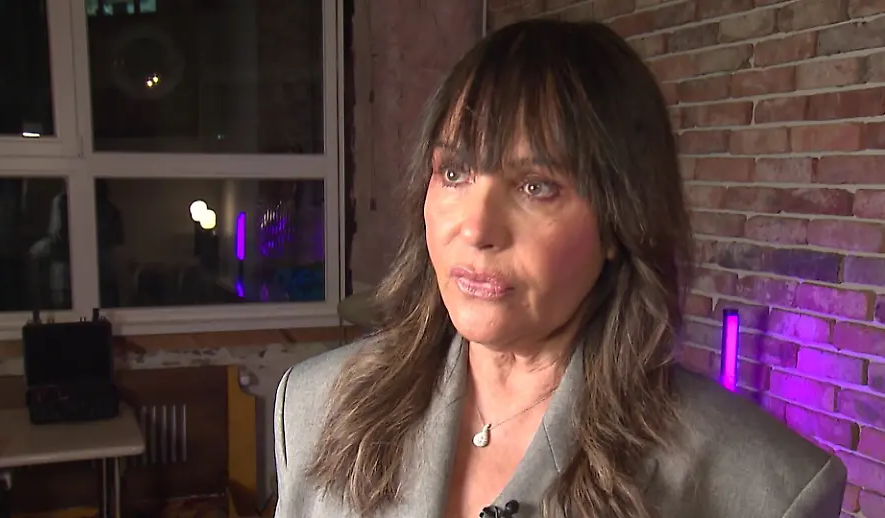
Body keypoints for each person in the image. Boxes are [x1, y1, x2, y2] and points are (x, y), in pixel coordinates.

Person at [273, 19, 847, 518]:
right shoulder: (315, 407)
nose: (476, 229)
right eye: (454, 173)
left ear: (620, 222)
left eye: (535, 186)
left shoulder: (762, 487)